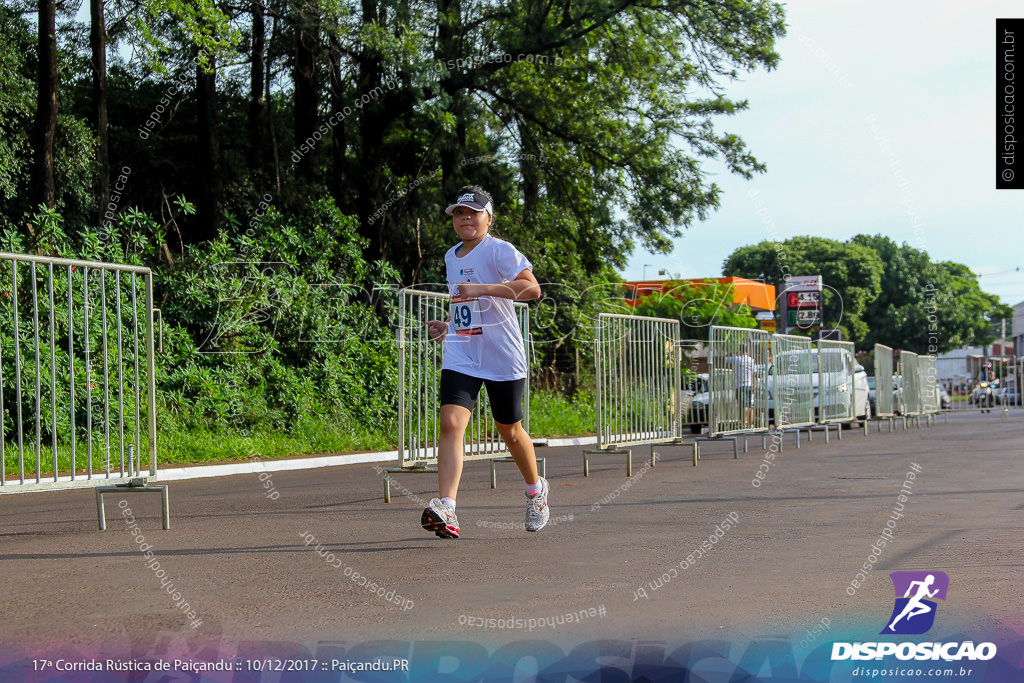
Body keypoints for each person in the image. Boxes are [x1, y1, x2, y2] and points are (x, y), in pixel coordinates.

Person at [421, 186, 548, 539]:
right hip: (463, 349)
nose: (465, 219)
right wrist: (449, 325)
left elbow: (531, 289)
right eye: (459, 213)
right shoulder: (452, 256)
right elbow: (466, 304)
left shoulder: (500, 250)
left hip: (501, 354)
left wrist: (483, 288)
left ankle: (536, 491)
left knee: (508, 430)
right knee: (450, 421)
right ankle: (447, 506)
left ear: (488, 218)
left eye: (473, 213)